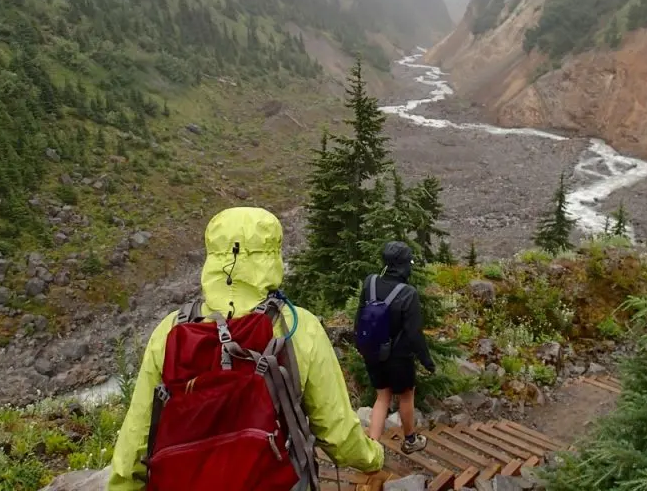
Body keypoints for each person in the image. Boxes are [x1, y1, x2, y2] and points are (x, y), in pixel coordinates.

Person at [108, 207, 383, 491]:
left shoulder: (170, 329)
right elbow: (337, 433)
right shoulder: (299, 327)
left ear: (212, 255)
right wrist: (373, 458)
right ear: (272, 254)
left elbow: (137, 437)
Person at [356, 241, 435, 454]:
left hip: (372, 351)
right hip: (399, 357)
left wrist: (361, 346)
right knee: (406, 396)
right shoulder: (408, 294)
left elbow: (360, 317)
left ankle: (372, 449)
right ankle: (410, 440)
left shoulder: (370, 282)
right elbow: (414, 334)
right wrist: (427, 362)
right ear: (403, 265)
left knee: (382, 396)